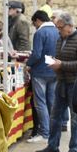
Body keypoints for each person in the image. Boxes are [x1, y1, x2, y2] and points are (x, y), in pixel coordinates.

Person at [37, 11, 77, 152]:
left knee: (75, 117)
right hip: (61, 82)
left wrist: (61, 65)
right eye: (57, 27)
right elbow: (61, 58)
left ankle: (75, 146)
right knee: (55, 115)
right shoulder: (60, 39)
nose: (58, 30)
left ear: (70, 26)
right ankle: (53, 145)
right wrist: (54, 62)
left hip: (75, 84)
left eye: (60, 27)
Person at [26, 9, 58, 144]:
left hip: (40, 72)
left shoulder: (40, 33)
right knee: (51, 102)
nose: (35, 26)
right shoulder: (56, 31)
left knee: (40, 103)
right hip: (54, 70)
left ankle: (44, 132)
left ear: (38, 20)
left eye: (35, 24)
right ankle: (51, 130)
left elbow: (37, 53)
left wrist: (28, 64)